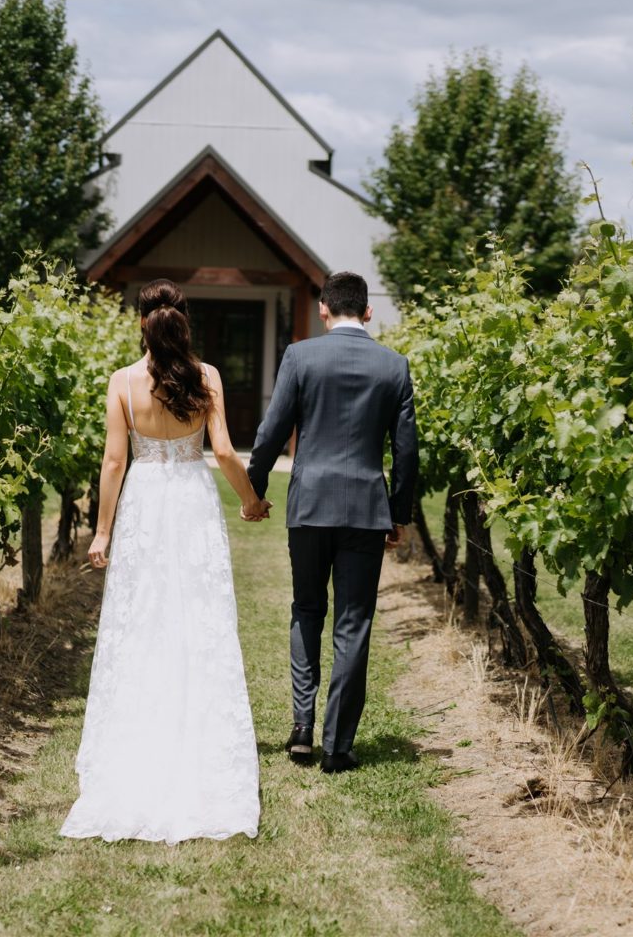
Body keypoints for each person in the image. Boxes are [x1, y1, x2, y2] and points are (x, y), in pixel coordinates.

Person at [60, 279, 266, 844]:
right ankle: (197, 743)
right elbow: (223, 450)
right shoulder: (208, 377)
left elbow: (112, 461)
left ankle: (140, 740)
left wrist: (101, 532)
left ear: (141, 323)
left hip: (146, 504)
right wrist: (249, 499)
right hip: (193, 502)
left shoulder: (123, 382)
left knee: (141, 620)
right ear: (184, 322)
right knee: (199, 616)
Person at [245, 271, 418, 773]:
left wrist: (254, 490)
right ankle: (338, 744)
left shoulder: (300, 356)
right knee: (353, 621)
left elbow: (272, 429)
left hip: (309, 505)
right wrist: (398, 513)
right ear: (368, 312)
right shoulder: (395, 365)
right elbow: (405, 450)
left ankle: (302, 726)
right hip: (366, 510)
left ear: (324, 309)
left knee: (306, 608)